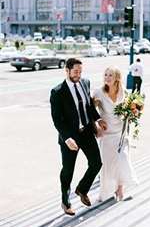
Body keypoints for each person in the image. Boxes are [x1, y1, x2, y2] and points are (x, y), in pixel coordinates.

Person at [50, 58, 107, 215]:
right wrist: (67, 138)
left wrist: (98, 119)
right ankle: (65, 201)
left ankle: (82, 189)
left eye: (80, 72)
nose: (78, 75)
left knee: (96, 163)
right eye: (75, 72)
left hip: (87, 132)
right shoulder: (57, 92)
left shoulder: (85, 83)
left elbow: (88, 106)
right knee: (68, 170)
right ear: (67, 71)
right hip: (70, 137)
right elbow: (57, 119)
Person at [93, 66, 138, 202]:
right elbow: (89, 111)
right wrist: (96, 126)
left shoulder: (124, 93)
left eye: (110, 75)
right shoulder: (98, 93)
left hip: (121, 133)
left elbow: (133, 110)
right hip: (106, 135)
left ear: (117, 78)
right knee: (108, 165)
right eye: (105, 75)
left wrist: (133, 113)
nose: (107, 77)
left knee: (122, 160)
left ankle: (120, 189)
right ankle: (107, 192)